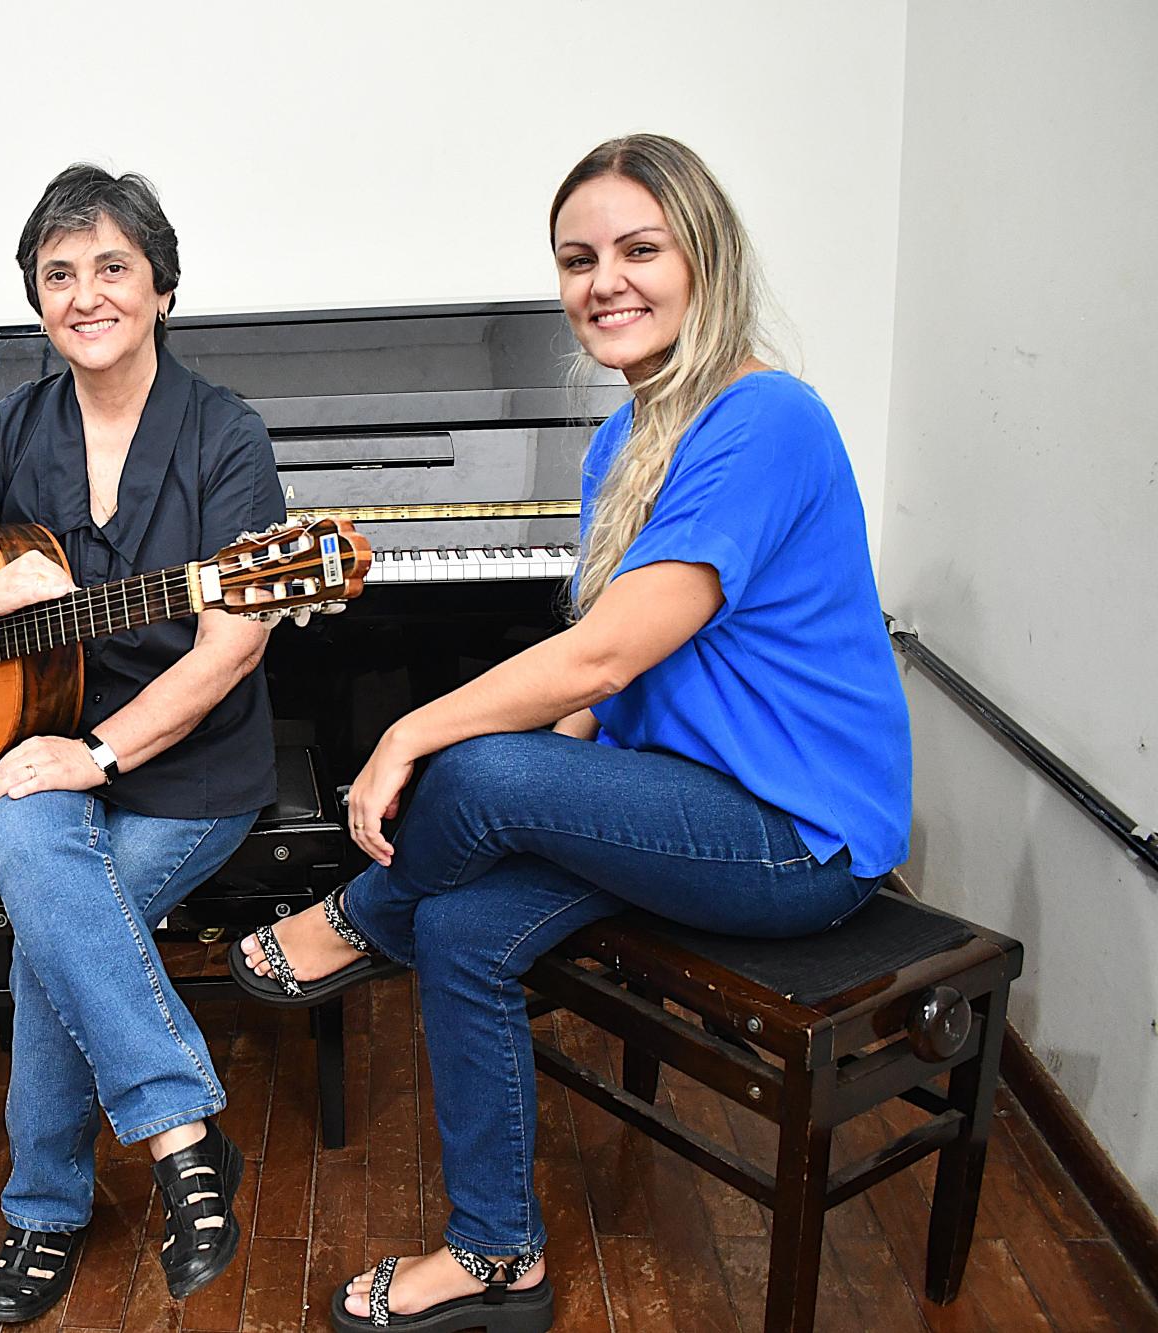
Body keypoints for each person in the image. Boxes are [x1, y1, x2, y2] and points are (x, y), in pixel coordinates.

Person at [232, 134, 912, 1333]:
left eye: (638, 249)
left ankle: (351, 921)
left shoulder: (766, 421)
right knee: (460, 923)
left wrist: (405, 737)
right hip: (672, 799)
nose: (604, 280)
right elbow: (607, 683)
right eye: (576, 257)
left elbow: (600, 651)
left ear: (705, 257)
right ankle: (497, 1256)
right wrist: (557, 755)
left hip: (792, 839)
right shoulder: (623, 441)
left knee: (478, 766)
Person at [0, 163, 283, 1323]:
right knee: (40, 862)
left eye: (111, 268)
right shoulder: (13, 425)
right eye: (58, 274)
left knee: (51, 934)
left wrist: (101, 757)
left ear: (160, 288)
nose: (84, 294)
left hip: (182, 767)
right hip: (33, 737)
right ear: (36, 300)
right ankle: (185, 1142)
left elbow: (227, 649)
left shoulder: (225, 434)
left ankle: (43, 1209)